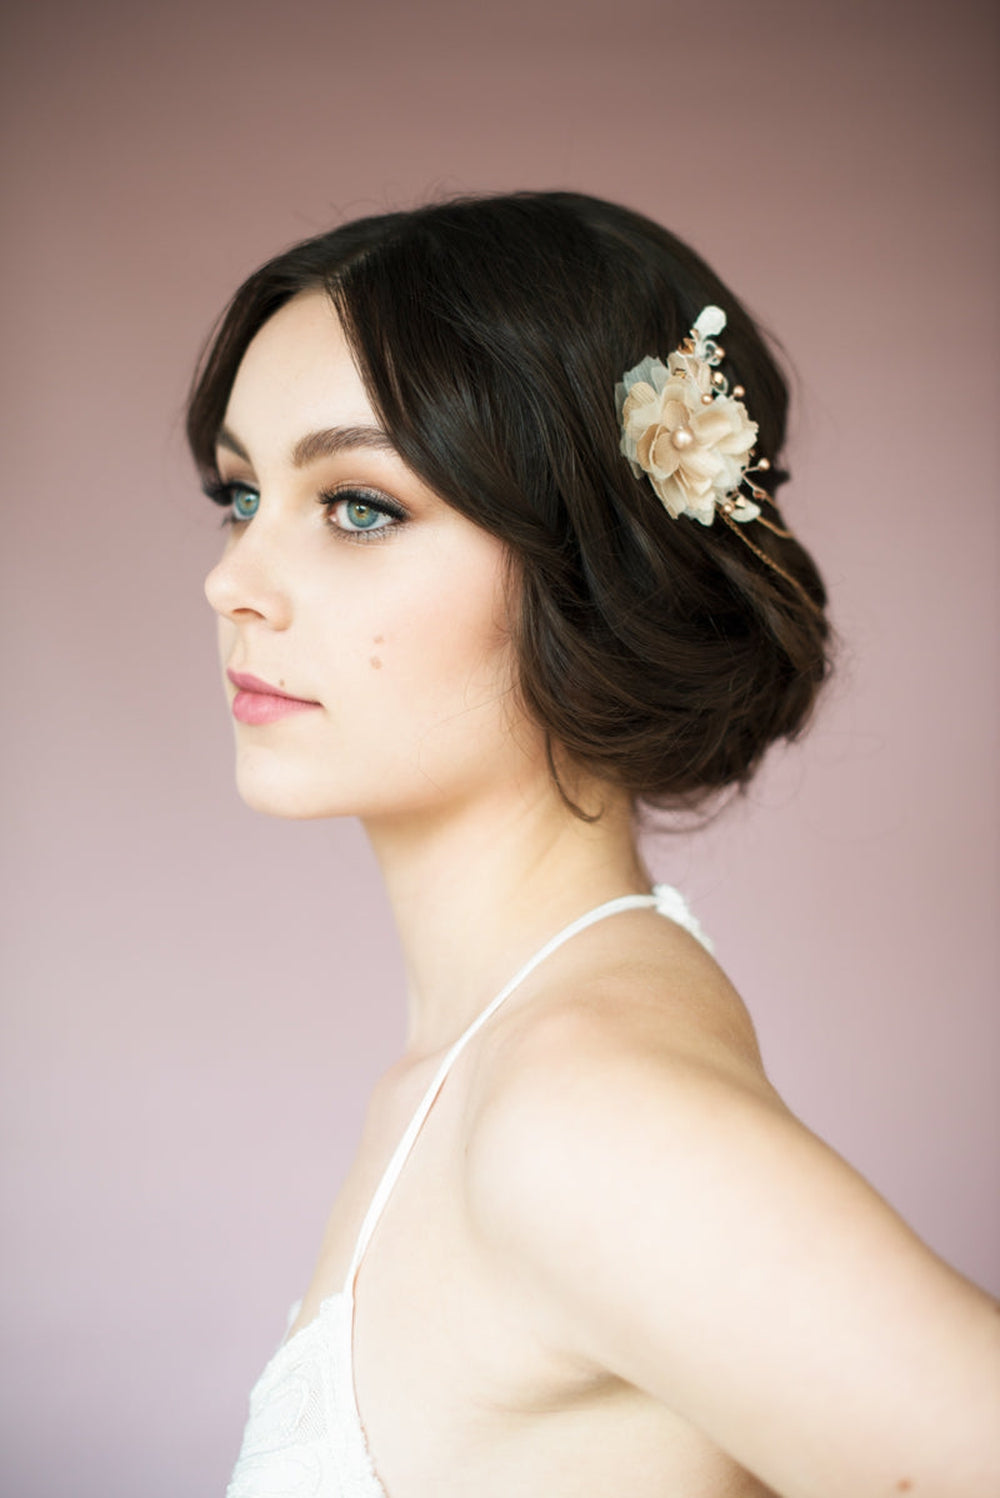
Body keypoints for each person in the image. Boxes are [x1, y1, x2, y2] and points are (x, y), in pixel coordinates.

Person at [186, 191, 999, 1498]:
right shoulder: (492, 1060)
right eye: (240, 494)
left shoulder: (576, 1111)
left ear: (593, 567)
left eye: (358, 506)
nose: (231, 581)